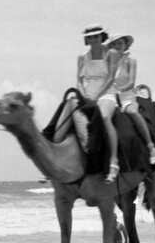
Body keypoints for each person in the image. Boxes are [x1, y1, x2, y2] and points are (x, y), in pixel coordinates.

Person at [50, 24, 121, 183]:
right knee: (66, 111)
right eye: (90, 37)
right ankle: (53, 156)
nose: (93, 39)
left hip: (106, 93)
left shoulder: (111, 54)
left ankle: (114, 162)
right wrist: (84, 95)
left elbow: (110, 78)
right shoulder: (82, 57)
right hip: (87, 95)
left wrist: (96, 96)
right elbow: (79, 80)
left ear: (101, 37)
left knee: (103, 117)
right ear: (86, 39)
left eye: (96, 36)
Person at [107, 34, 155, 166]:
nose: (118, 46)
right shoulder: (107, 62)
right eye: (115, 44)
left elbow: (131, 82)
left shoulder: (130, 61)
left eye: (120, 43)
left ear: (125, 45)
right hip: (110, 97)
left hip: (126, 96)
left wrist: (119, 89)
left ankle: (150, 146)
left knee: (133, 112)